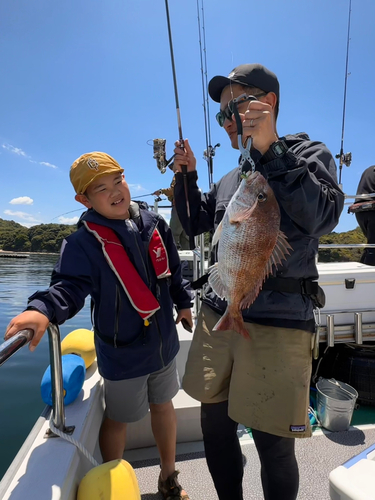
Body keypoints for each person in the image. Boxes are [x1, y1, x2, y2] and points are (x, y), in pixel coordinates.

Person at [172, 64, 344, 500]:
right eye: (221, 116)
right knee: (214, 424)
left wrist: (273, 152)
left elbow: (323, 216)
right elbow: (192, 224)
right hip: (219, 312)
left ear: (265, 104)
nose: (226, 122)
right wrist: (186, 177)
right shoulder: (236, 177)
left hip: (278, 323)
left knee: (273, 443)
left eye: (231, 109)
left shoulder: (310, 154)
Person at [4, 152, 192, 500]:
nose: (115, 191)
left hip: (165, 343)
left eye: (117, 180)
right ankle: (111, 484)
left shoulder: (154, 223)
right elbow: (69, 286)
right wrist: (42, 309)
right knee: (118, 419)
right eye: (101, 188)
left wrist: (183, 304)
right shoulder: (83, 244)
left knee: (164, 406)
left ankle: (169, 477)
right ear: (83, 199)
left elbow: (174, 271)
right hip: (122, 353)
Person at [153, 168, 190, 251]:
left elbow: (174, 190)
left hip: (179, 207)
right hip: (187, 207)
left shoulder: (178, 175)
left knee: (174, 233)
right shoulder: (187, 175)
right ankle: (189, 262)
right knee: (185, 236)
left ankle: (174, 256)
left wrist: (161, 191)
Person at [352, 165, 375, 265]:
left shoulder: (369, 169)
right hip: (372, 210)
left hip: (360, 211)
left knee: (371, 243)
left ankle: (364, 266)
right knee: (373, 246)